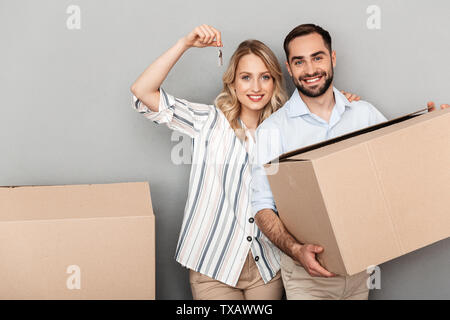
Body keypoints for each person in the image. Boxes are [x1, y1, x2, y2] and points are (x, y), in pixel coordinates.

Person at [130, 24, 361, 300]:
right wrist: (185, 43)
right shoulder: (208, 122)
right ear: (233, 82)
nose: (255, 87)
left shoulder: (286, 130)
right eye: (246, 77)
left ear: (276, 81)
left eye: (265, 77)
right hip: (213, 264)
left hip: (267, 265)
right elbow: (142, 91)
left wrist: (340, 106)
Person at [251, 23, 449, 300]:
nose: (309, 70)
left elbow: (399, 170)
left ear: (332, 58)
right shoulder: (272, 131)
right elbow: (262, 208)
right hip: (307, 277)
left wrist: (432, 131)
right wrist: (297, 251)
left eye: (317, 57)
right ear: (289, 67)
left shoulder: (363, 114)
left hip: (360, 269)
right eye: (299, 61)